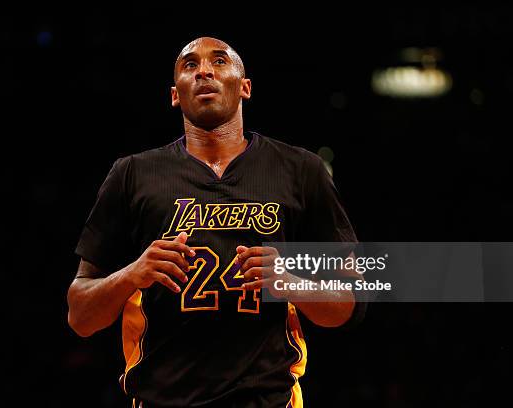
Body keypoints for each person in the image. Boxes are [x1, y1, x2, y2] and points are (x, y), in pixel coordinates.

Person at [67, 37, 364, 408]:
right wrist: (133, 273)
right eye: (190, 65)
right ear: (176, 94)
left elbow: (351, 302)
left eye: (219, 61)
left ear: (245, 88)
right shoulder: (132, 174)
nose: (204, 70)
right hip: (160, 399)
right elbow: (80, 315)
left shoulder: (301, 170)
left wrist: (288, 281)